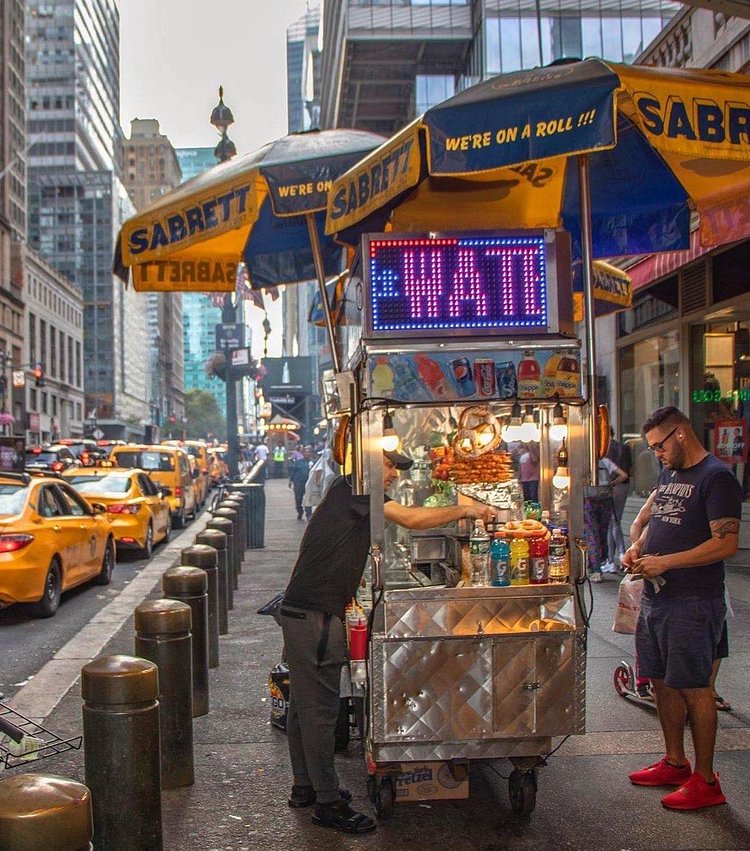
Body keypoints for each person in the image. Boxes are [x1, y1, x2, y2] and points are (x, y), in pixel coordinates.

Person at [280, 449, 495, 835]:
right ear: (369, 461)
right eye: (391, 465)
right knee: (319, 712)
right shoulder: (358, 488)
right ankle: (326, 804)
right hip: (314, 616)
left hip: (305, 611)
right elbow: (411, 519)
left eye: (397, 467)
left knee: (302, 707)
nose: (395, 474)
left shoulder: (346, 489)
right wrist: (467, 509)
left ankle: (306, 787)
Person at [622, 406, 741, 811]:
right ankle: (675, 762)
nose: (657, 454)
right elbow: (659, 521)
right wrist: (638, 548)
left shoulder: (716, 478)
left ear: (680, 434)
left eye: (659, 446)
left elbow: (726, 543)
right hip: (657, 597)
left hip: (694, 601)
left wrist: (667, 562)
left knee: (695, 687)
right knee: (660, 681)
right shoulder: (670, 474)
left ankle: (706, 780)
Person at [584, 454, 628, 582]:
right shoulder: (605, 461)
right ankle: (597, 565)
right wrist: (611, 484)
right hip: (605, 500)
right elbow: (624, 475)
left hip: (588, 500)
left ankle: (595, 568)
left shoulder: (583, 463)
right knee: (602, 533)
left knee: (592, 534)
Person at [606, 427, 632, 570]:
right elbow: (630, 471)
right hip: (624, 487)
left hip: (611, 487)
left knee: (613, 522)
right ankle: (611, 559)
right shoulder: (624, 448)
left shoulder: (605, 450)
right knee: (614, 522)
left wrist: (612, 483)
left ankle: (618, 556)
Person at [288, 450, 310, 520]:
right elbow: (293, 472)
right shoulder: (298, 462)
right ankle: (300, 511)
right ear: (303, 454)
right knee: (298, 499)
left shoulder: (313, 462)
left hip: (309, 483)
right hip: (298, 483)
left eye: (309, 452)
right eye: (306, 452)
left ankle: (309, 513)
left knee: (308, 499)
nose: (307, 454)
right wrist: (290, 481)